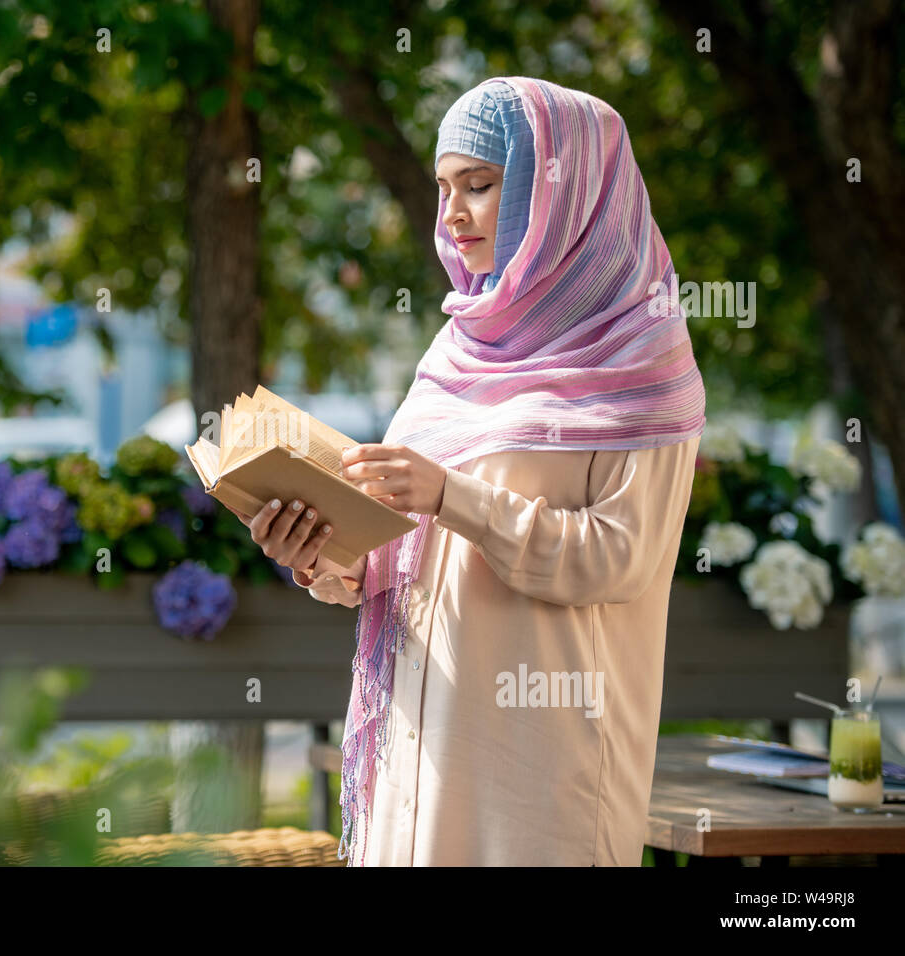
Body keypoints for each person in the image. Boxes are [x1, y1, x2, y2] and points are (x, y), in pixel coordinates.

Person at [232, 76, 706, 866]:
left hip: (540, 773)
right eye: (445, 188)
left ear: (561, 193)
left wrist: (454, 496)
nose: (451, 214)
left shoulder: (644, 359)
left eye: (480, 187)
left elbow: (622, 556)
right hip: (417, 759)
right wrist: (324, 555)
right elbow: (404, 557)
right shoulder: (454, 356)